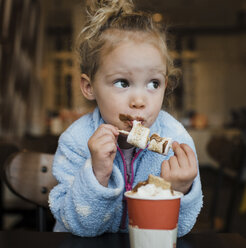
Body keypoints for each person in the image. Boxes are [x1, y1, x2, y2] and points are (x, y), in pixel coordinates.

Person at [49, 0, 203, 237]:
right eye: (123, 82)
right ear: (89, 87)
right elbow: (78, 227)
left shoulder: (175, 139)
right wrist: (97, 176)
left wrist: (178, 190)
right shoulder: (76, 141)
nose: (140, 100)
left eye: (154, 83)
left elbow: (179, 230)